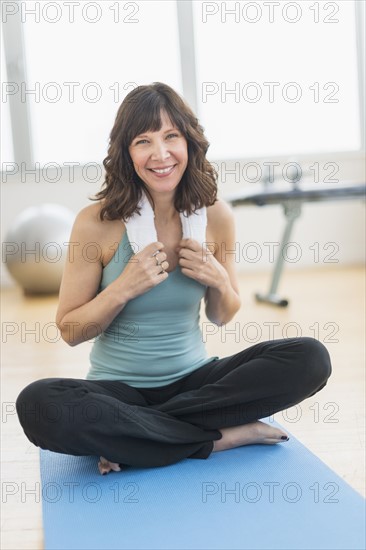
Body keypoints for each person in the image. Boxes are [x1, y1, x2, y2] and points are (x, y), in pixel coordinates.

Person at [16, 83, 332, 475]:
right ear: (126, 153)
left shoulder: (216, 216)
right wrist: (123, 287)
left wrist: (217, 279)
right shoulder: (96, 224)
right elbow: (70, 329)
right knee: (38, 403)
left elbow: (222, 315)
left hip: (198, 383)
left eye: (171, 137)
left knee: (310, 357)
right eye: (143, 141)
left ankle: (142, 437)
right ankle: (219, 438)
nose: (160, 154)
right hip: (120, 393)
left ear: (189, 143)